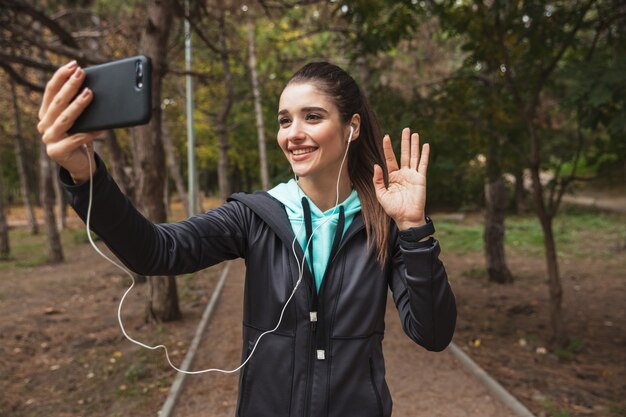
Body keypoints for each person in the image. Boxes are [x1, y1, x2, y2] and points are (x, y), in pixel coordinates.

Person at [38, 60, 456, 417]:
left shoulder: (386, 219)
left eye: (312, 116)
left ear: (351, 127)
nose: (293, 133)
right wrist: (85, 175)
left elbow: (433, 334)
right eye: (284, 119)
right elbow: (155, 252)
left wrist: (413, 229)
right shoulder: (255, 215)